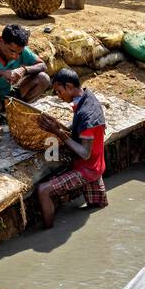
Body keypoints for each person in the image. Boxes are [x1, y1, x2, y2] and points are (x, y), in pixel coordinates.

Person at [36, 68, 106, 227]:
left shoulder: (87, 116)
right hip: (96, 166)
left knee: (43, 190)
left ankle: (48, 231)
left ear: (69, 86)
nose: (58, 96)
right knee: (98, 208)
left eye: (59, 91)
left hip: (87, 168)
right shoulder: (86, 97)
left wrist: (58, 132)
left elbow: (85, 153)